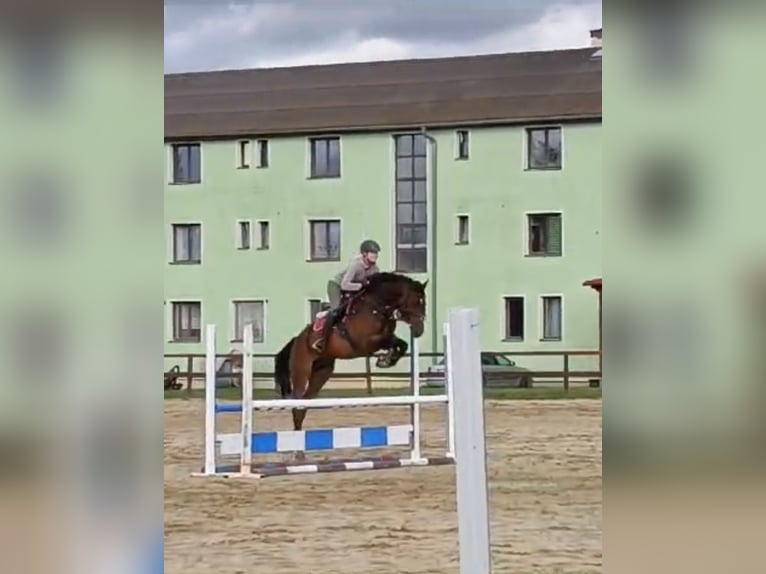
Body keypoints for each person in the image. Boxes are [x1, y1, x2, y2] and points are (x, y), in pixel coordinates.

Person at [311, 239, 381, 351]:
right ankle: (322, 340)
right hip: (336, 286)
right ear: (364, 254)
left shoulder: (375, 269)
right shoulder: (356, 266)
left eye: (376, 253)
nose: (375, 256)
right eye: (372, 253)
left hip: (352, 289)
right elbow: (344, 284)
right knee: (336, 310)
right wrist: (361, 286)